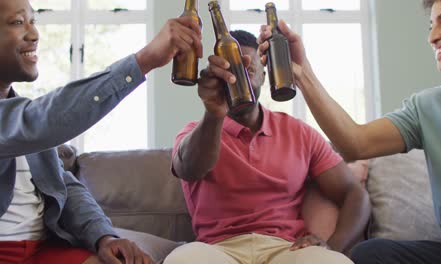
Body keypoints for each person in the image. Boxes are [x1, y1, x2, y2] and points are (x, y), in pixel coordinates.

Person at [257, 0, 441, 263]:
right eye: (431, 26)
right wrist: (302, 73)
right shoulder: (427, 108)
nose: (433, 37)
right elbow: (356, 144)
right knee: (372, 254)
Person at [0, 0, 202, 263]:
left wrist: (104, 237)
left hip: (40, 250)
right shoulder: (32, 122)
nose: (34, 34)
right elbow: (44, 119)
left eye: (33, 21)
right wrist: (143, 61)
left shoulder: (28, 120)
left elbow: (64, 188)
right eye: (17, 22)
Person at [165, 29, 370, 264]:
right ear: (219, 77)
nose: (241, 80)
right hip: (218, 250)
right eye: (232, 72)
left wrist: (332, 247)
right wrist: (213, 113)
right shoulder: (196, 132)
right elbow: (188, 169)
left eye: (249, 71)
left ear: (264, 74)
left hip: (286, 249)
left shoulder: (299, 132)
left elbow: (354, 194)